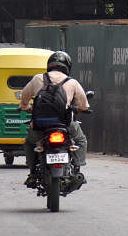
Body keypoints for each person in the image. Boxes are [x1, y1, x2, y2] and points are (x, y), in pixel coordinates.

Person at [18, 51, 88, 188]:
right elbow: (84, 105)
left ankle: (32, 173)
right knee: (80, 140)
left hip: (40, 126)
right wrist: (80, 110)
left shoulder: (38, 78)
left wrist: (24, 106)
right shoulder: (72, 82)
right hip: (66, 125)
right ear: (67, 66)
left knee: (29, 143)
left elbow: (24, 97)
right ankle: (77, 168)